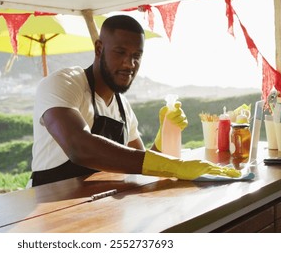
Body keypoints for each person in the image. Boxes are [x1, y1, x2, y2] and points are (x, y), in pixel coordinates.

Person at [29, 14, 240, 187]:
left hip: (95, 208)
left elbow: (140, 163)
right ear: (99, 49)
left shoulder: (122, 107)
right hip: (46, 205)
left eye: (137, 55)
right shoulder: (63, 84)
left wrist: (162, 137)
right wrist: (176, 166)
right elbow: (79, 147)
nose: (130, 63)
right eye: (120, 52)